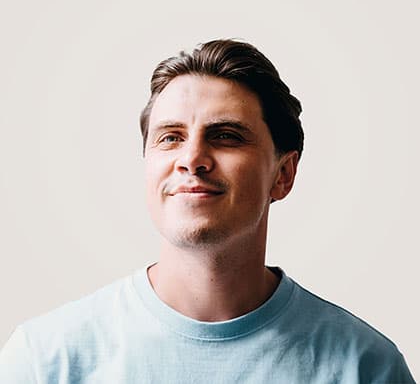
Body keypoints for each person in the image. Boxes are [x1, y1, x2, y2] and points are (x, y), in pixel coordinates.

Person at [0, 39, 415, 383]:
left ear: (283, 174)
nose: (192, 158)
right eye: (170, 138)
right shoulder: (44, 362)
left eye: (227, 136)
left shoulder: (366, 368)